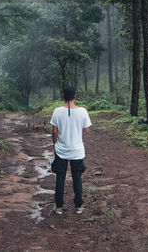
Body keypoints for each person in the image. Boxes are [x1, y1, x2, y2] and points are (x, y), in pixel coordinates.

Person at [49, 85, 91, 215]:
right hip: (77, 151)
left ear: (63, 96)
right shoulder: (83, 111)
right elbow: (86, 130)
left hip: (61, 150)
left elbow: (54, 132)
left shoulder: (57, 111)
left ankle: (59, 207)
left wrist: (54, 144)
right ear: (75, 96)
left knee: (60, 178)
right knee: (77, 178)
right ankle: (78, 207)